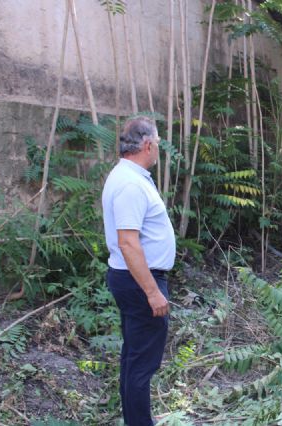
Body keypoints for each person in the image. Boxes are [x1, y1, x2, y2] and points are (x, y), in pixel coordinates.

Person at [102, 116, 175, 425]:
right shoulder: (130, 184)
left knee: (135, 358)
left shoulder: (129, 176)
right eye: (157, 144)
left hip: (133, 280)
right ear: (147, 145)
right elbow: (128, 243)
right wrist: (152, 292)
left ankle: (135, 420)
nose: (157, 150)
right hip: (139, 282)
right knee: (142, 364)